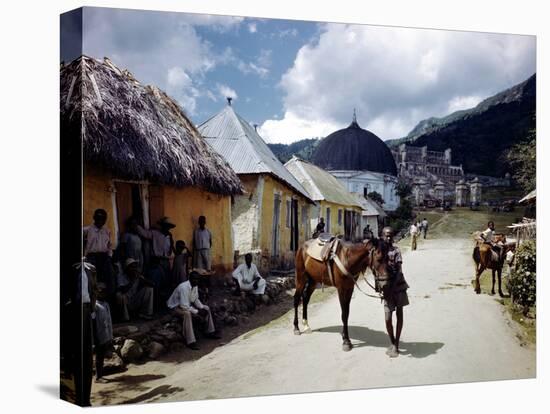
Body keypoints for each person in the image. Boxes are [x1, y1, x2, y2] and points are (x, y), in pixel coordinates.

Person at [166, 271, 220, 350]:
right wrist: (197, 312)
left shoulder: (195, 286)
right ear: (190, 279)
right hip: (174, 307)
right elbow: (184, 306)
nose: (196, 281)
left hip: (185, 305)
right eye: (194, 279)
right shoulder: (183, 287)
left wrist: (201, 308)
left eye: (197, 279)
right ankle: (190, 341)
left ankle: (210, 331)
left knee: (207, 308)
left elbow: (195, 299)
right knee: (187, 314)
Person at [70, 260, 97, 406]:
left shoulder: (91, 269)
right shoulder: (71, 269)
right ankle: (77, 397)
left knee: (87, 355)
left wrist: (92, 309)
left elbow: (94, 290)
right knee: (77, 354)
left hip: (87, 310)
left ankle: (86, 399)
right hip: (75, 310)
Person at [380, 227, 409, 358]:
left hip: (398, 288)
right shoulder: (379, 252)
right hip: (387, 290)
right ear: (382, 236)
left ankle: (396, 343)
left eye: (390, 236)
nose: (388, 238)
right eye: (386, 236)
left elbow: (399, 270)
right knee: (387, 318)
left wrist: (392, 288)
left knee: (399, 314)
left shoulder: (396, 250)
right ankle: (392, 341)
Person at [83, 209, 115, 298]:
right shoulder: (86, 230)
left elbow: (109, 246)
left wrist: (110, 256)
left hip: (104, 257)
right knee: (91, 280)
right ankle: (92, 299)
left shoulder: (107, 231)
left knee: (110, 278)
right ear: (94, 218)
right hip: (91, 257)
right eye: (98, 218)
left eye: (103, 219)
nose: (100, 220)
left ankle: (109, 299)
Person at [93, 283, 113, 384]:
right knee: (99, 356)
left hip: (106, 334)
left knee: (101, 356)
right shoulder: (95, 306)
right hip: (99, 335)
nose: (102, 293)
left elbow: (109, 320)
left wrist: (110, 335)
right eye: (100, 291)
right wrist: (95, 337)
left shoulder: (106, 304)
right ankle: (98, 377)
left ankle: (100, 375)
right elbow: (93, 322)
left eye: (104, 292)